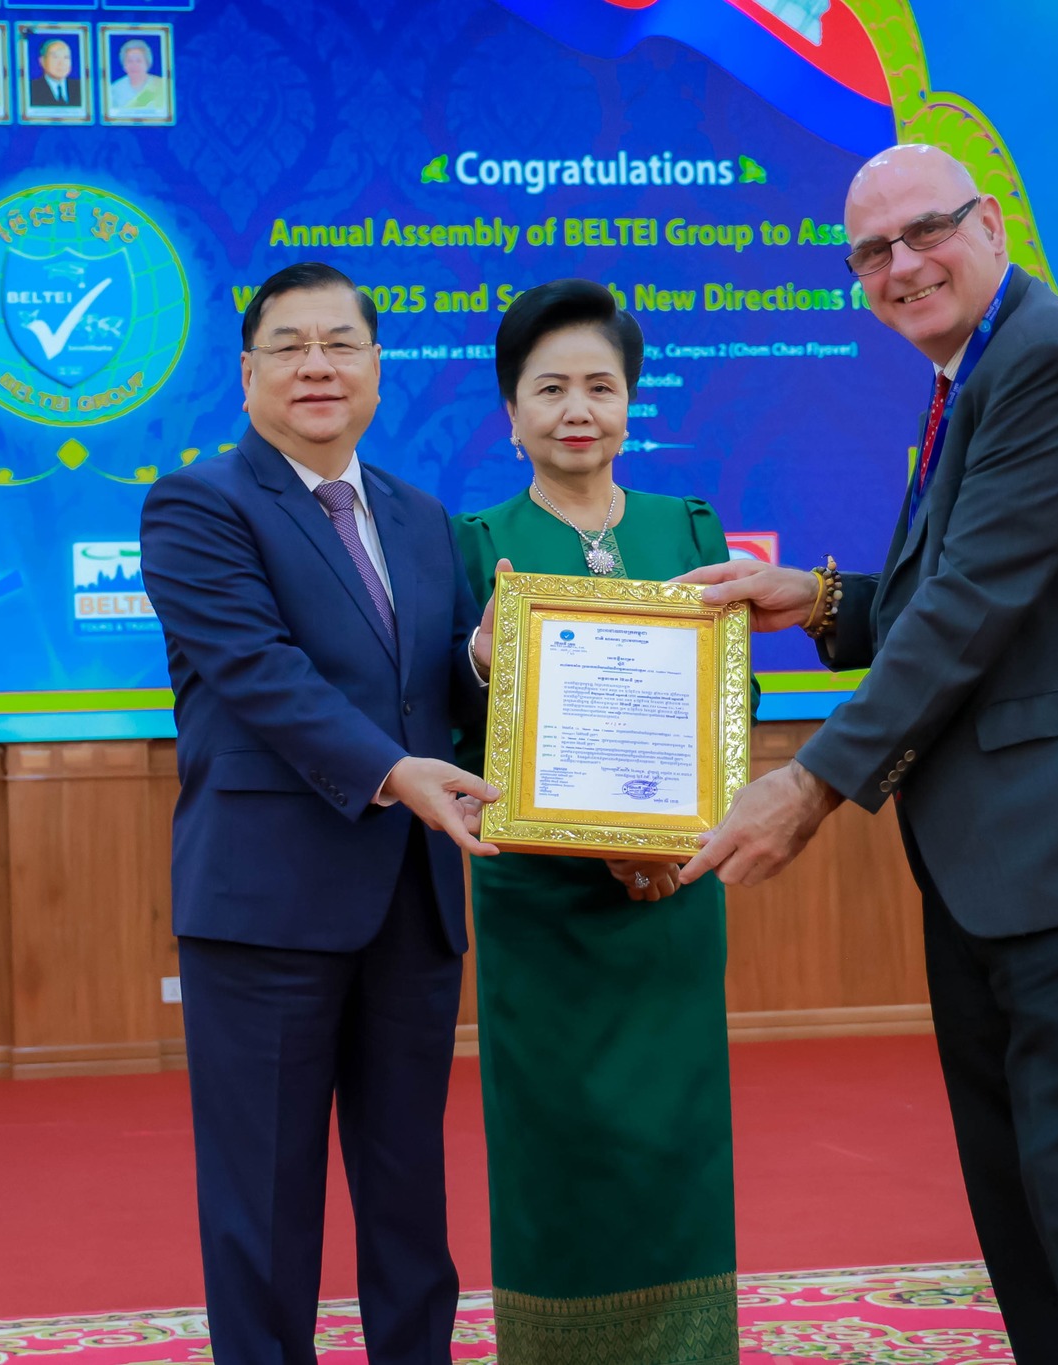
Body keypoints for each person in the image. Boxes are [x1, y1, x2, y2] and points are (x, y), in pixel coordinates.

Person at [676, 144, 1058, 1364]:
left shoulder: (1048, 362)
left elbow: (969, 607)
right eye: (870, 252)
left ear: (987, 222)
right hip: (1012, 870)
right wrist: (817, 599)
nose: (901, 265)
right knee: (1030, 1223)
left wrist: (808, 784)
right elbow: (970, 586)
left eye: (923, 231)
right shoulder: (972, 375)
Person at [139, 261, 502, 1365]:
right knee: (263, 1202)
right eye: (288, 347)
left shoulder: (420, 515)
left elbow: (438, 690)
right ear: (247, 373)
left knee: (409, 1190)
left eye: (339, 344)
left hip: (412, 902)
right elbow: (261, 674)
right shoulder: (199, 503)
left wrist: (488, 665)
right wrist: (396, 772)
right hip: (267, 903)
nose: (316, 366)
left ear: (376, 369)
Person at [453, 280, 742, 1365]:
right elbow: (449, 719)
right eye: (549, 389)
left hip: (672, 898)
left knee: (674, 1140)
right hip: (541, 907)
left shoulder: (690, 528)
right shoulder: (476, 542)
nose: (577, 410)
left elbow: (730, 699)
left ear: (629, 402)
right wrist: (481, 655)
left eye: (600, 387)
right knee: (555, 1146)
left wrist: (669, 844)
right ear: (511, 410)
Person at [106, 37, 166, 113]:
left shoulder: (161, 86)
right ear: (124, 65)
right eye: (130, 61)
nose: (134, 65)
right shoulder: (115, 90)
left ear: (147, 63)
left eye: (139, 61)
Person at [27, 37, 81, 109]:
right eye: (55, 57)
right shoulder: (30, 89)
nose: (61, 63)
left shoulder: (81, 87)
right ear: (42, 61)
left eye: (66, 57)